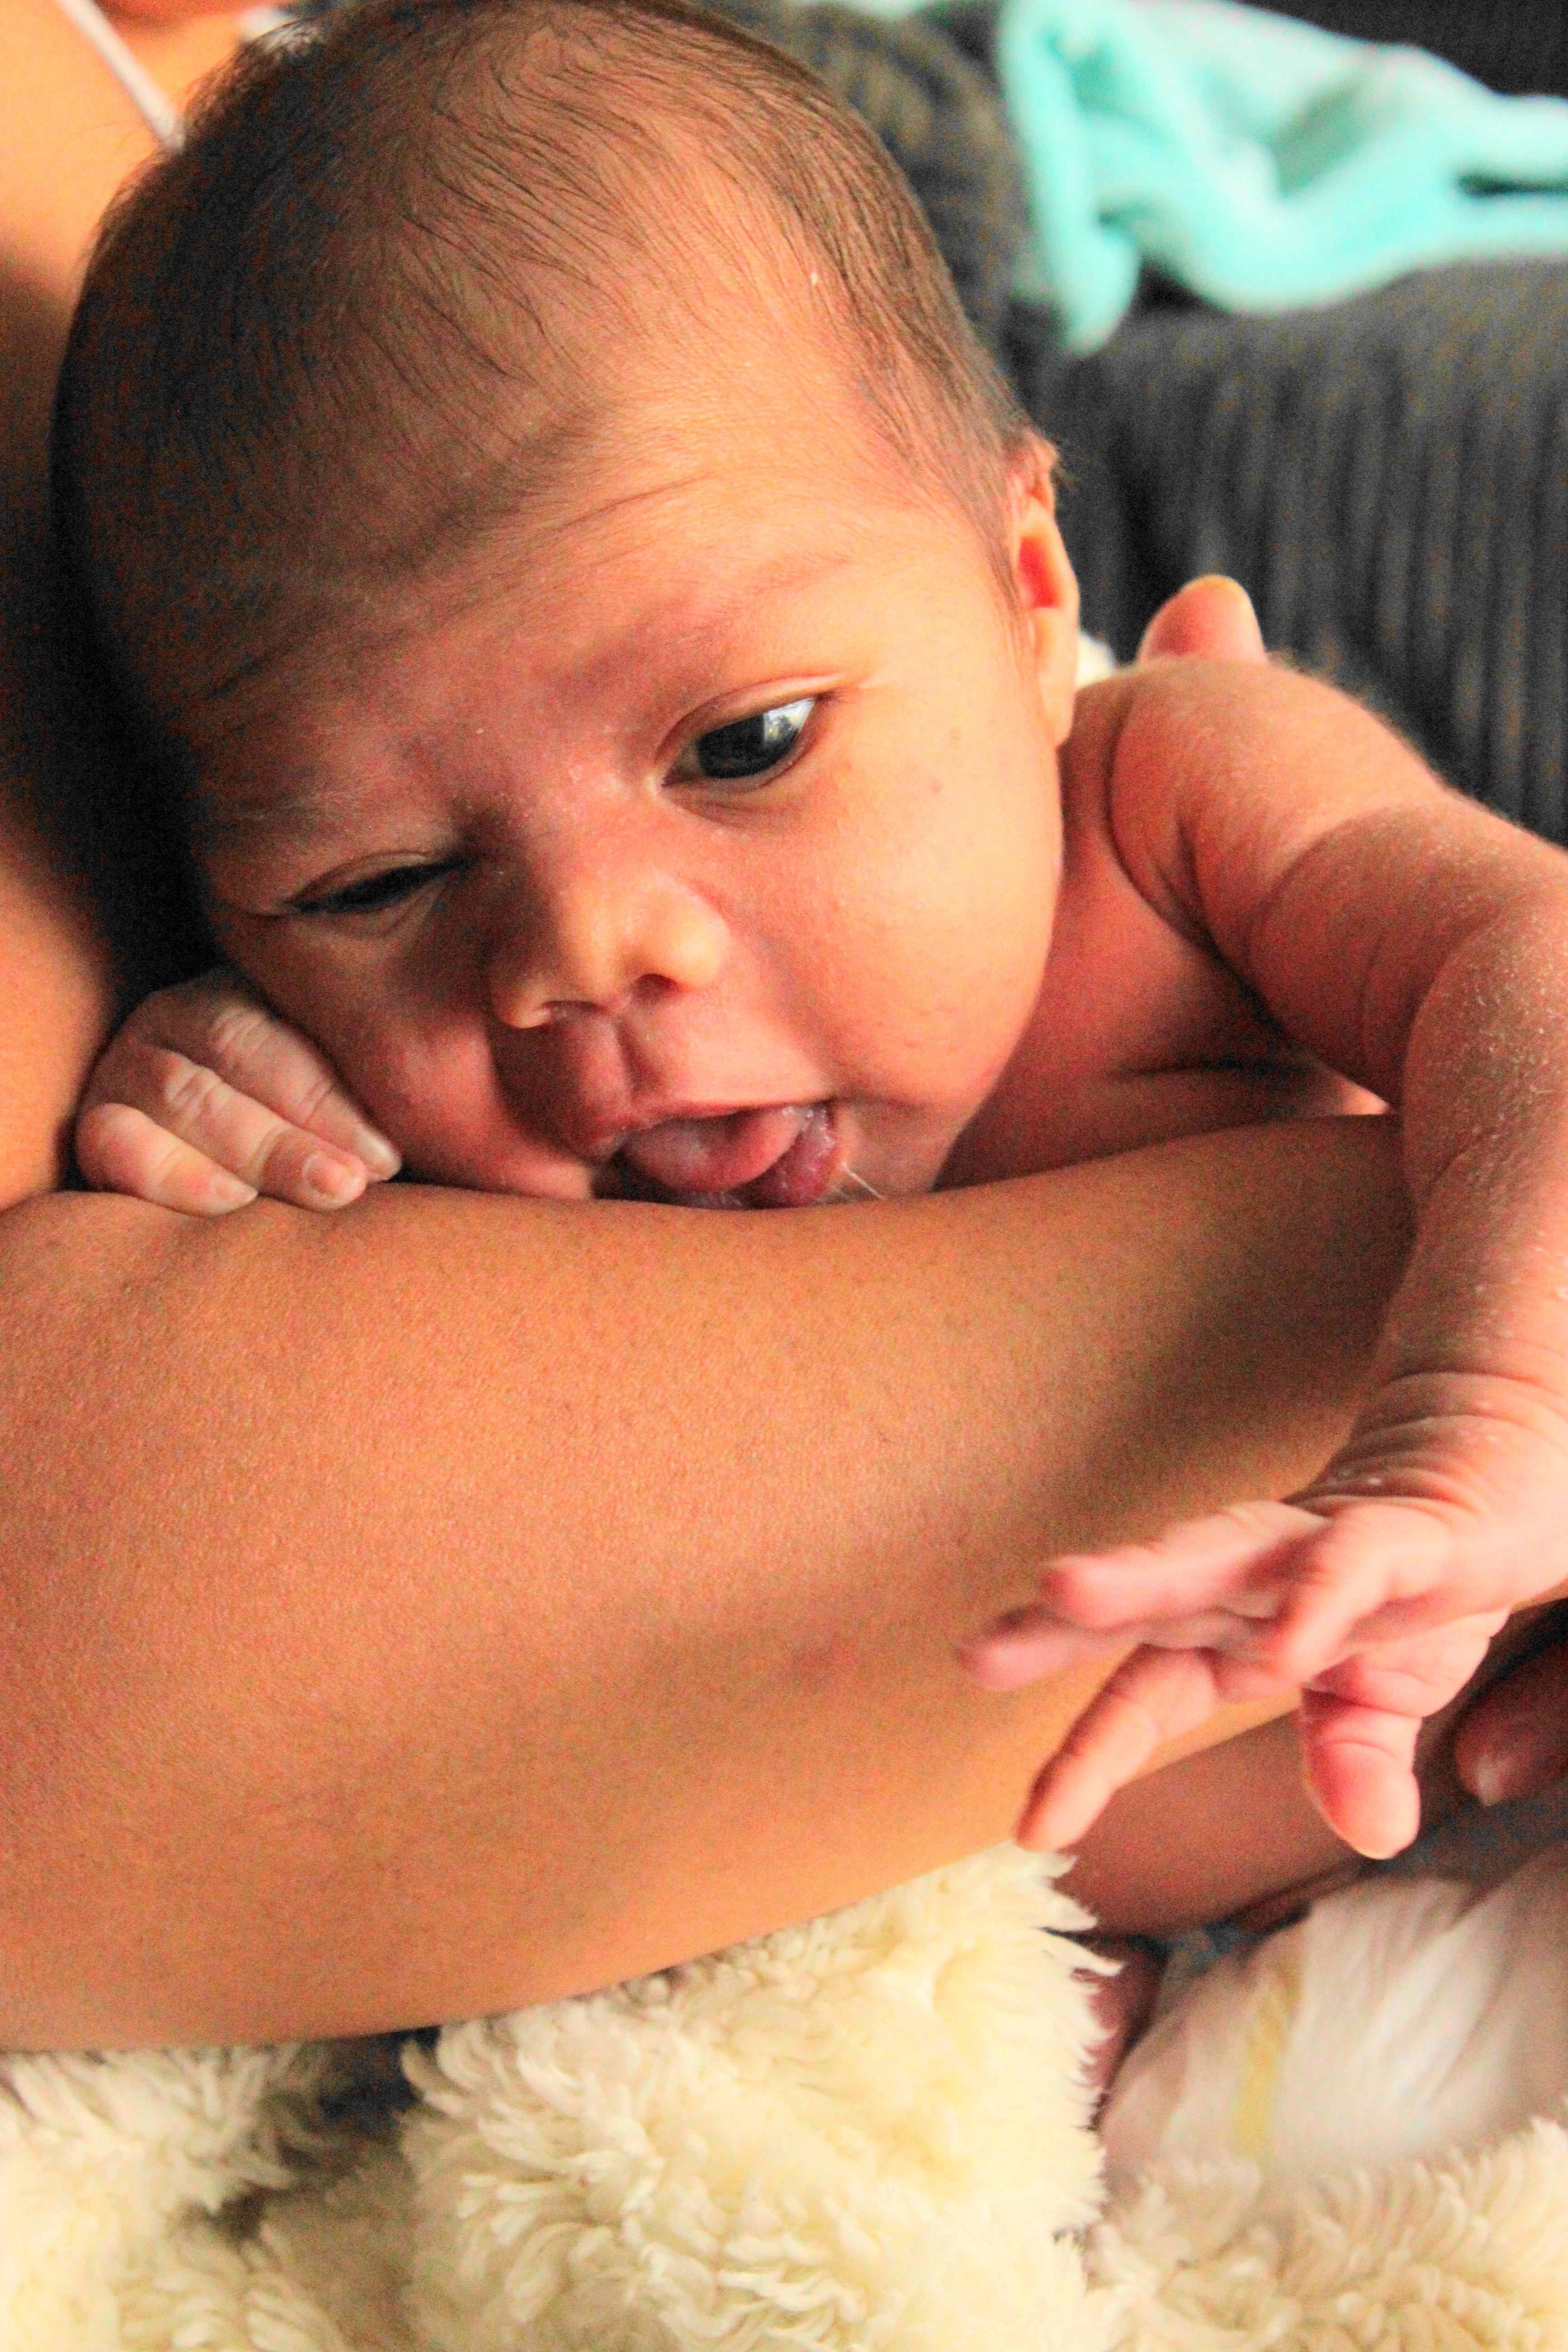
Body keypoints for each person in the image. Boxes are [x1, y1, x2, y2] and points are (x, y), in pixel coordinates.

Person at [0, 0, 1551, 2059]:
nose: (582, 954)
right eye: (379, 885)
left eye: (743, 747)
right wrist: (244, 1122)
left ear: (1027, 594)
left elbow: (1532, 975)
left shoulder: (1172, 817)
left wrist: (1481, 1421)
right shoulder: (446, 1123)